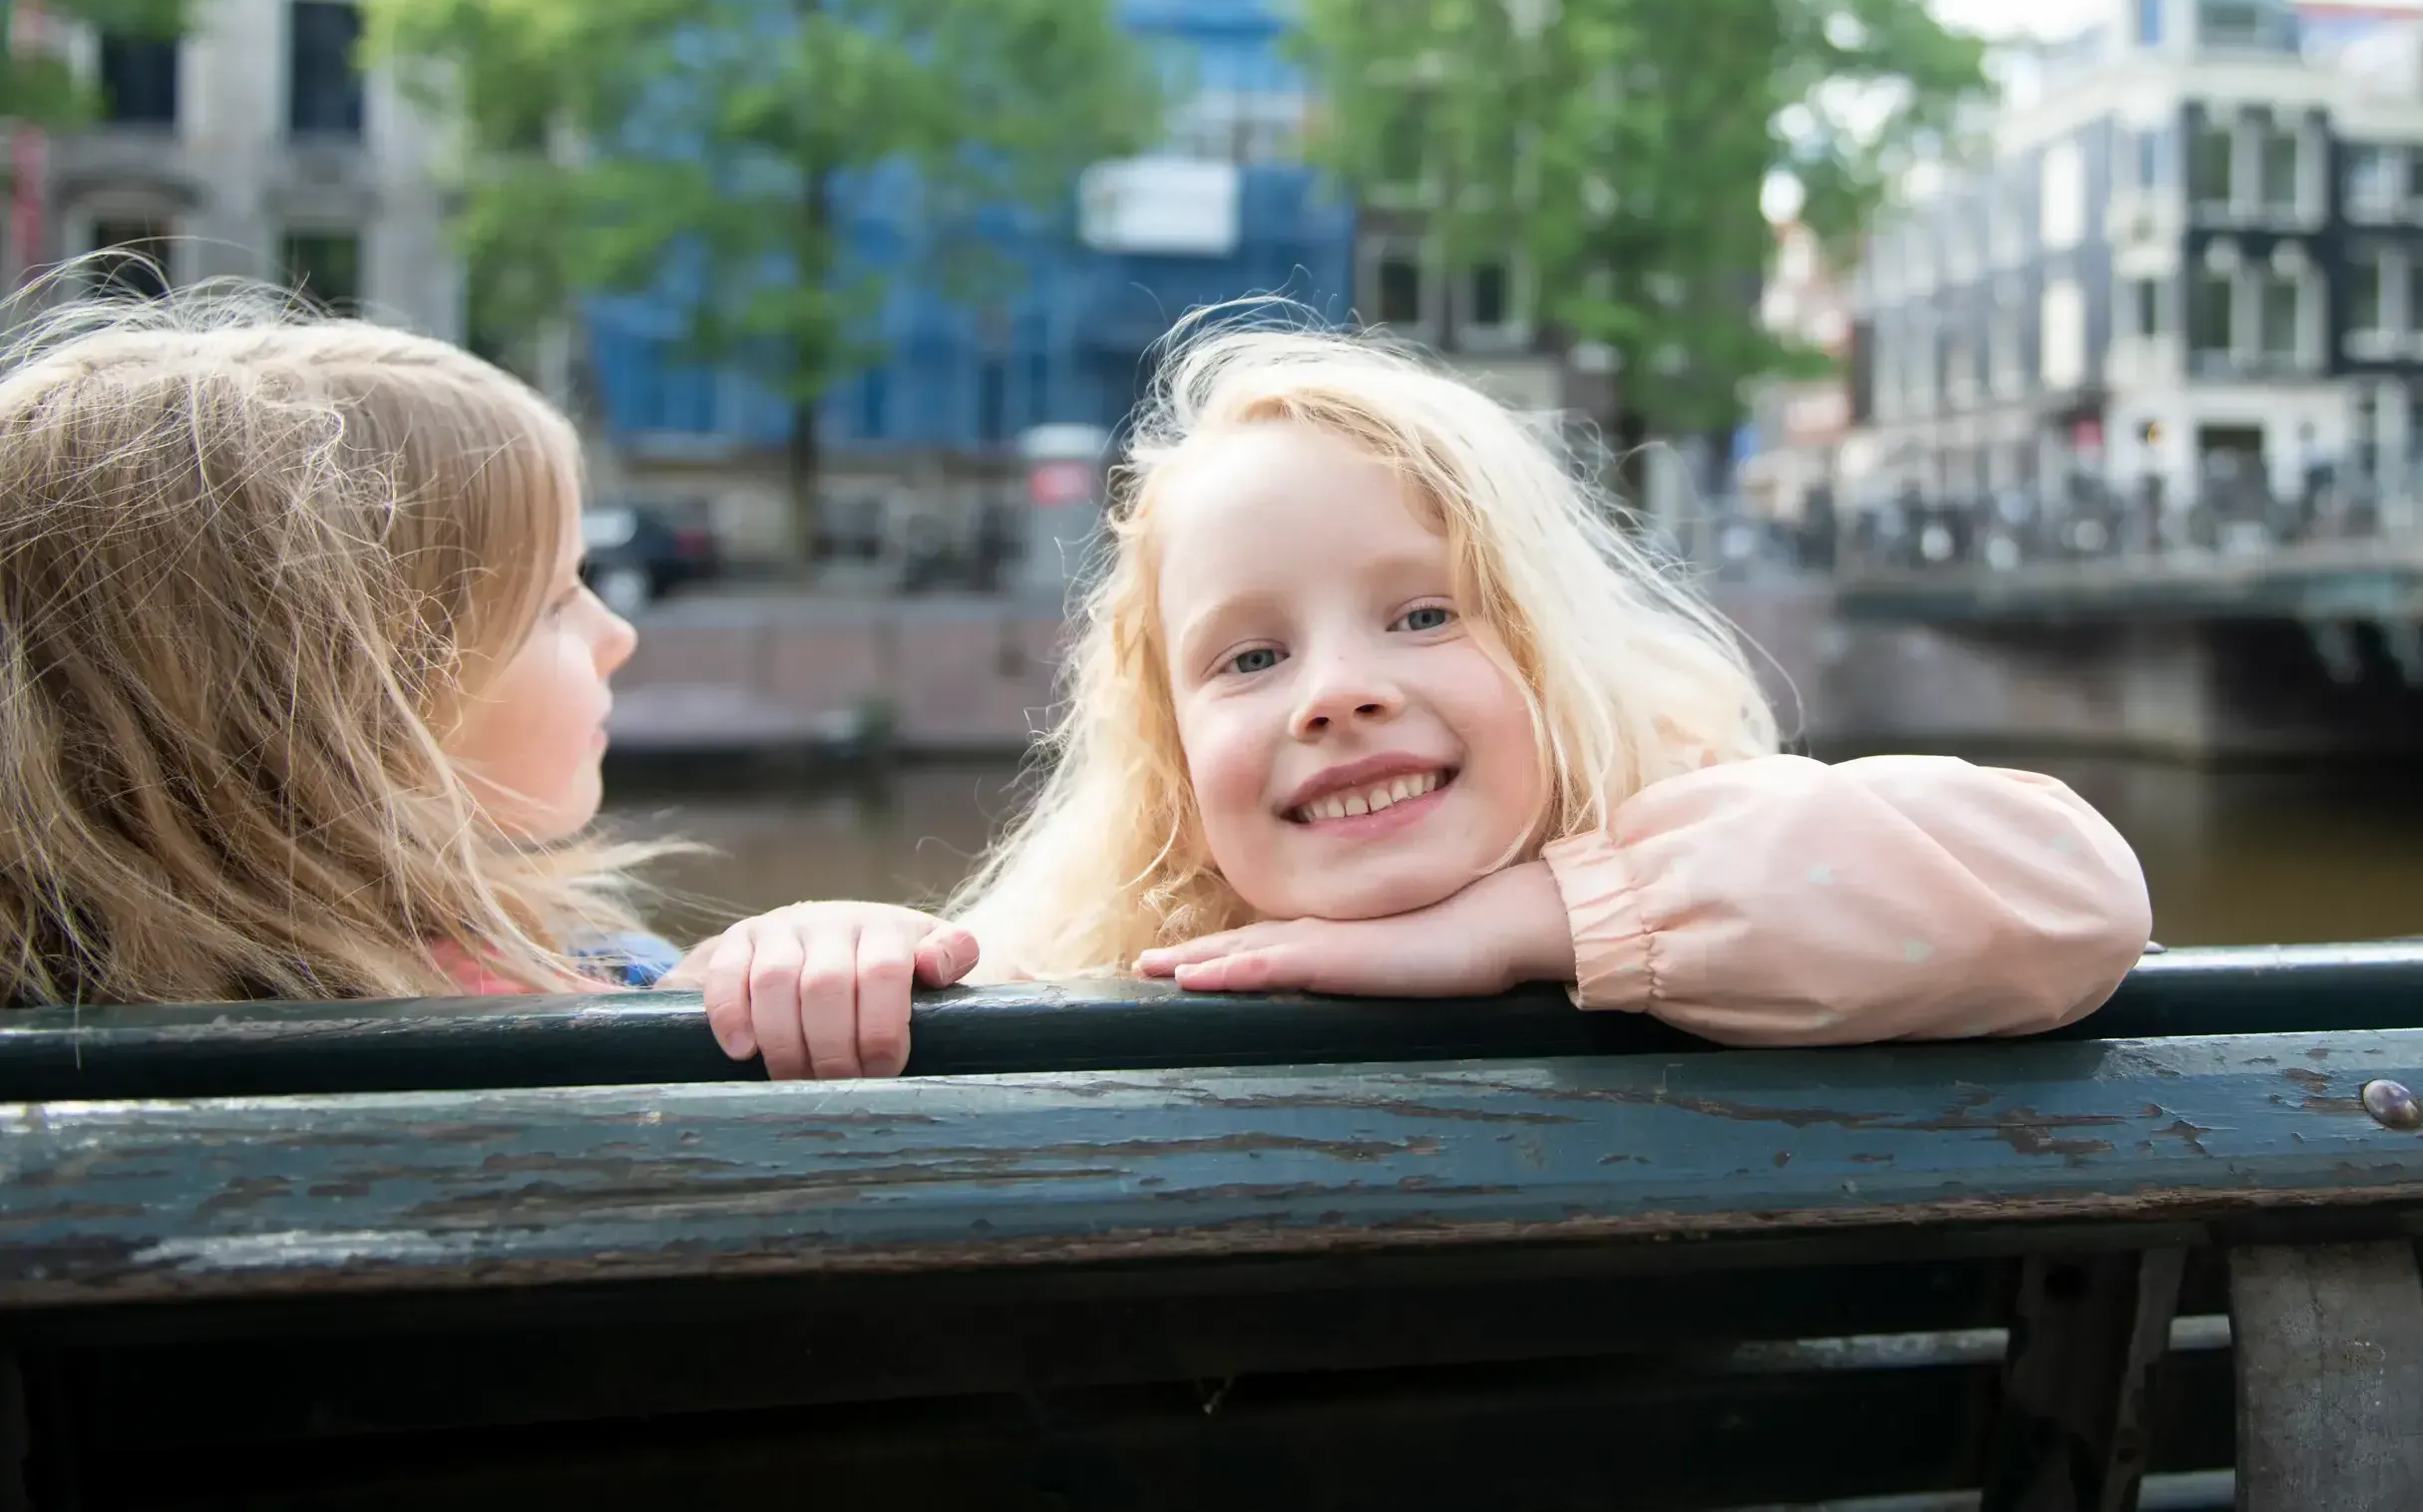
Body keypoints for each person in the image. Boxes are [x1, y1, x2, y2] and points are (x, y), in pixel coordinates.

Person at [947, 319, 2149, 1044]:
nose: (1338, 691)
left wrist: (1545, 923)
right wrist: (859, 963)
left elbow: (2074, 888)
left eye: (1424, 614)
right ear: (1170, 758)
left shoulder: (1679, 855)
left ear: (1551, 655)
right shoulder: (1094, 944)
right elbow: (944, 980)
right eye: (1253, 657)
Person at [0, 287, 967, 1078]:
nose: (617, 634)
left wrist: (794, 960)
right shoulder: (615, 1012)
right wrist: (777, 999)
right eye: (553, 601)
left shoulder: (59, 1025)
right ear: (343, 703)